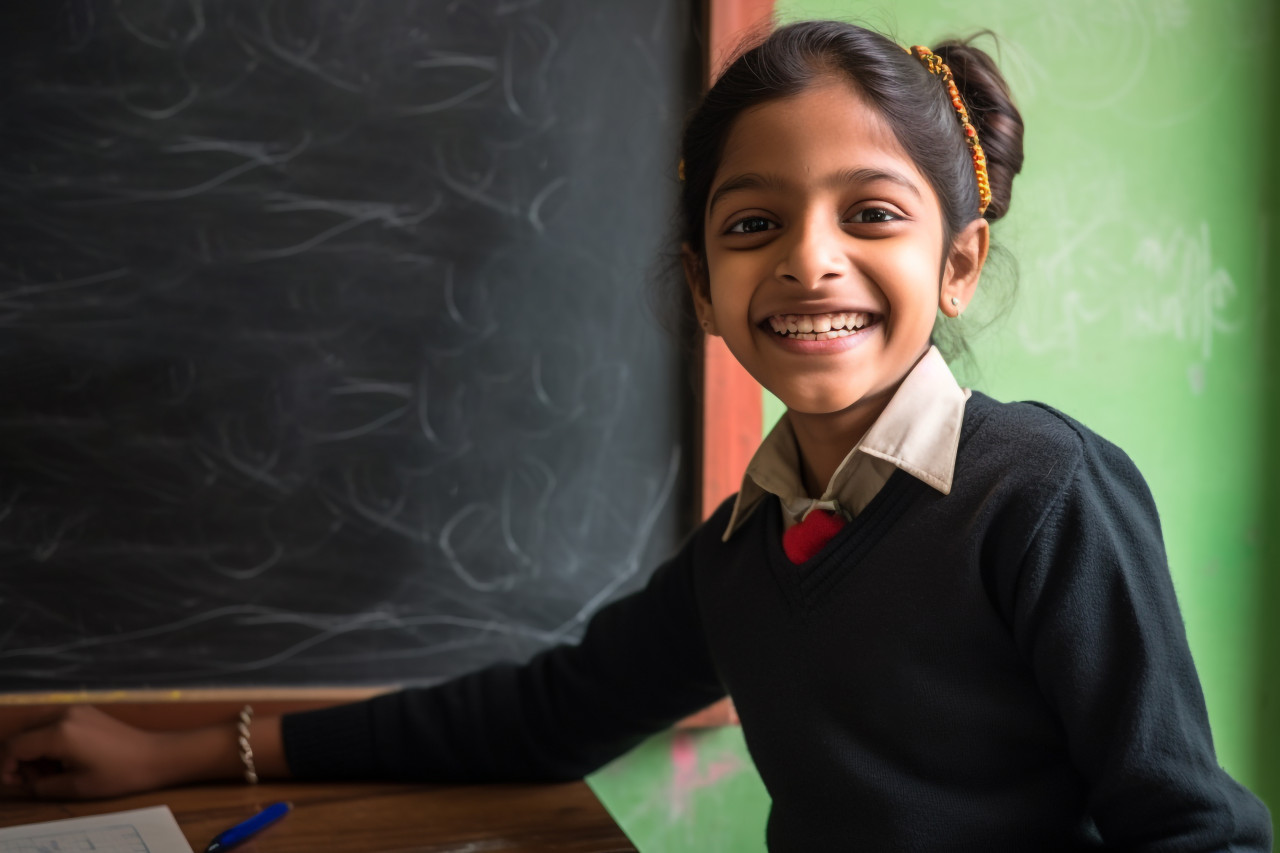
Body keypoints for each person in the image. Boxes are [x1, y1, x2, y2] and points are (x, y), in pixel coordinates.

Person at [1, 20, 1272, 851]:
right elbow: (542, 716)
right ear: (701, 284)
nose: (809, 259)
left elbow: (1187, 831)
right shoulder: (748, 543)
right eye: (750, 224)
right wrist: (173, 744)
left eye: (870, 213)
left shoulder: (1040, 494)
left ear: (959, 262)